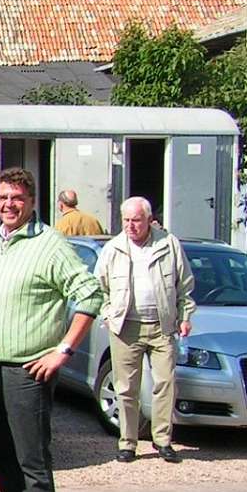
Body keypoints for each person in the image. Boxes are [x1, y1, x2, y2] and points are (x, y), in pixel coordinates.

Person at [0, 168, 103, 492]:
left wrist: (63, 350)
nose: (9, 205)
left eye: (17, 198)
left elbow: (90, 294)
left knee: (31, 460)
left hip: (28, 371)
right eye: (3, 198)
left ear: (32, 201)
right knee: (5, 458)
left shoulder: (50, 244)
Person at [95, 196, 194, 463]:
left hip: (162, 326)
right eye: (126, 220)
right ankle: (128, 443)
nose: (130, 225)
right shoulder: (113, 248)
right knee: (126, 388)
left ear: (149, 220)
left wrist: (185, 316)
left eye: (136, 220)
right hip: (125, 327)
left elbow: (185, 285)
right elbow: (99, 287)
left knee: (165, 384)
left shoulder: (168, 244)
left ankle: (162, 441)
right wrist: (108, 313)